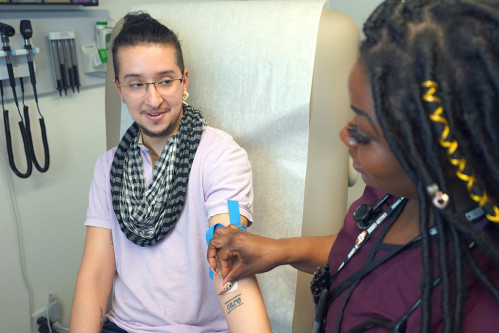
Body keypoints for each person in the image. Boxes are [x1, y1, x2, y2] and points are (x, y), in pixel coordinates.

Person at [208, 0, 499, 332]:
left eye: (364, 133)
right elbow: (361, 243)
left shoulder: (481, 302)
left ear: (436, 151)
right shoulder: (393, 196)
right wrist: (279, 251)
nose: (344, 135)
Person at [69, 12, 270, 333]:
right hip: (125, 326)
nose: (153, 99)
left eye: (165, 80)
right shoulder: (108, 167)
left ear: (184, 80)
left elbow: (228, 260)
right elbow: (94, 275)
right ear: (119, 88)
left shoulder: (219, 156)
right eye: (136, 84)